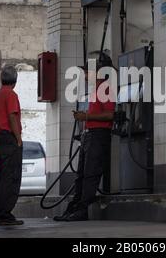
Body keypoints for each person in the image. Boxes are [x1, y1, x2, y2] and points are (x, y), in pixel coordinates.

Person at [54, 53, 115, 222]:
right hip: (88, 136)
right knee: (81, 174)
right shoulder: (95, 90)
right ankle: (74, 207)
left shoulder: (106, 88)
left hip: (98, 135)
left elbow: (110, 115)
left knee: (90, 174)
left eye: (88, 72)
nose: (86, 75)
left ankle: (82, 210)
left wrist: (86, 117)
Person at [0, 65, 24, 226]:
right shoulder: (11, 95)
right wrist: (18, 138)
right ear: (15, 80)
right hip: (9, 138)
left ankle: (0, 213)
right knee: (10, 177)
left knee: (1, 176)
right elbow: (12, 116)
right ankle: (5, 214)